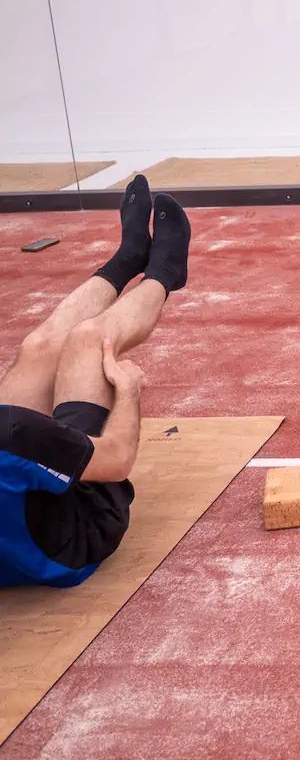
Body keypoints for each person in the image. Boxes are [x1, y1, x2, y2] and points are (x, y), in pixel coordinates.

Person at [1, 176, 191, 587]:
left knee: (38, 348)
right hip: (72, 542)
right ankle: (165, 272)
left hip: (17, 515)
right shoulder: (14, 436)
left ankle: (127, 259)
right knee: (89, 341)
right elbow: (117, 459)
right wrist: (127, 392)